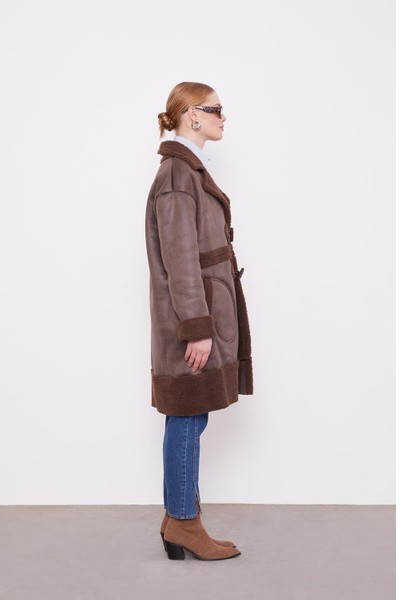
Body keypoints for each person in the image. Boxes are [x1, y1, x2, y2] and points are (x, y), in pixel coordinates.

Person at [144, 81, 253, 561]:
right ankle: (184, 524)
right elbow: (181, 260)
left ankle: (180, 519)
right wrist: (197, 328)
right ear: (192, 114)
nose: (223, 117)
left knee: (190, 415)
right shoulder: (177, 174)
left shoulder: (187, 170)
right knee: (187, 417)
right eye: (215, 109)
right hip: (193, 320)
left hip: (203, 313)